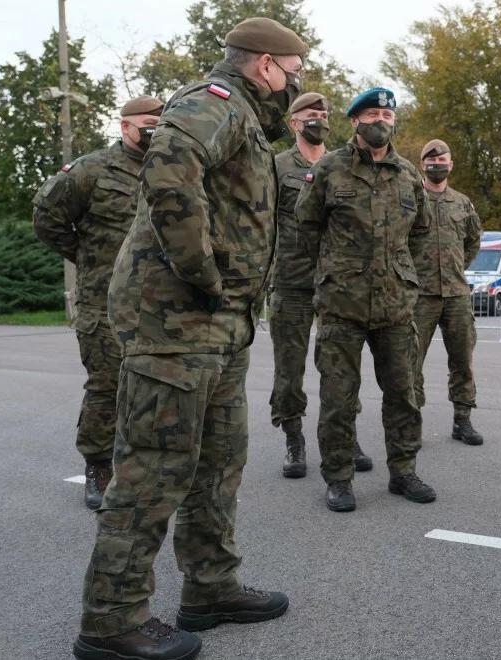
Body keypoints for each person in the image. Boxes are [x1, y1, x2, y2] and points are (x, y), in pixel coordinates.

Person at [73, 18, 307, 660]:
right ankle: (111, 622)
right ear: (266, 66)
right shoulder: (215, 102)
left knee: (217, 462)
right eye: (294, 72)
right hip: (175, 322)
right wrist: (202, 271)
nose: (295, 85)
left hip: (220, 326)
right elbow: (172, 167)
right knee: (154, 469)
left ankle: (210, 589)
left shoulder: (248, 122)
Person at [294, 86, 436, 512]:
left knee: (403, 392)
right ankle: (338, 477)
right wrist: (334, 271)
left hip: (395, 306)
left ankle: (403, 471)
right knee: (338, 397)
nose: (380, 121)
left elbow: (422, 232)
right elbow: (306, 227)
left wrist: (402, 274)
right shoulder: (329, 170)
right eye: (372, 114)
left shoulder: (408, 174)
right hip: (342, 306)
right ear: (355, 120)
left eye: (387, 116)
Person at [32, 95, 163, 510]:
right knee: (107, 386)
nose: (154, 130)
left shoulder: (171, 168)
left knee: (153, 387)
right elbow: (46, 215)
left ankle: (142, 465)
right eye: (147, 122)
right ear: (125, 126)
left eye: (161, 123)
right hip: (102, 301)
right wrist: (85, 256)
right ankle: (97, 466)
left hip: (159, 304)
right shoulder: (92, 169)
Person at [269, 91, 372, 479]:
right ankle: (293, 438)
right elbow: (264, 225)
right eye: (311, 114)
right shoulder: (277, 167)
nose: (320, 119)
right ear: (294, 122)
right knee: (289, 369)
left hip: (337, 283)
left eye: (324, 114)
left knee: (340, 368)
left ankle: (346, 437)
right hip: (292, 281)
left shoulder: (343, 165)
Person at [410, 139, 484, 446]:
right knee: (411, 362)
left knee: (462, 359)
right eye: (431, 160)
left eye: (442, 160)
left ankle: (462, 420)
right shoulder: (412, 199)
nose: (437, 164)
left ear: (450, 165)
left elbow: (473, 240)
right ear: (423, 166)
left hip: (455, 294)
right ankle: (410, 424)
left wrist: (456, 267)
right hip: (420, 295)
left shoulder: (462, 203)